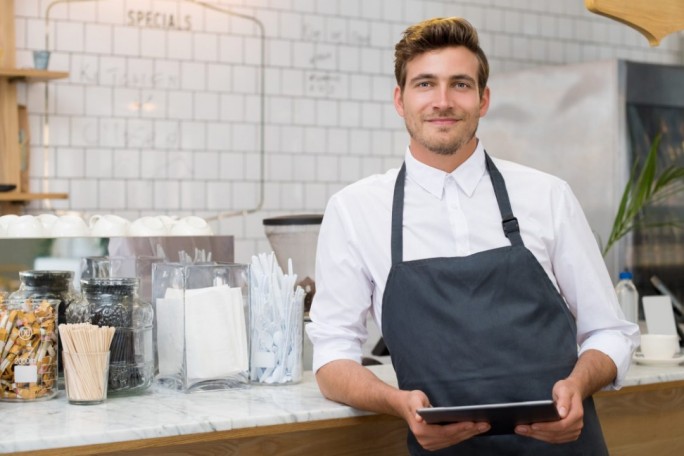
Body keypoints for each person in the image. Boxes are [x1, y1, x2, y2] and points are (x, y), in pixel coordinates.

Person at [305, 16, 640, 455]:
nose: (442, 101)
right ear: (399, 100)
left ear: (483, 100)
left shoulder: (547, 196)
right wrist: (396, 403)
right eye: (425, 84)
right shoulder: (355, 210)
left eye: (460, 84)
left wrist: (579, 384)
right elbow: (332, 357)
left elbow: (610, 332)